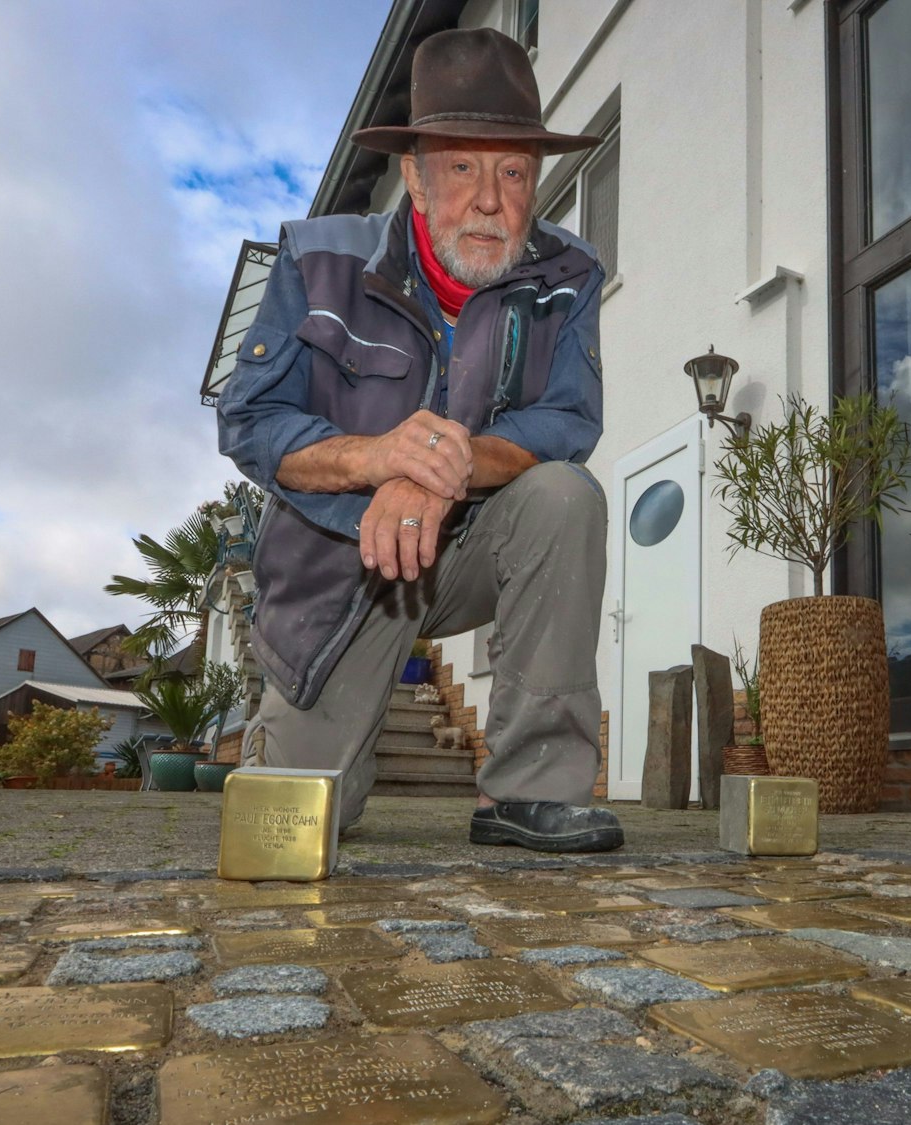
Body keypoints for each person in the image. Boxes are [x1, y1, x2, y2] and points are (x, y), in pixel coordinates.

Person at [216, 28, 621, 853]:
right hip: (343, 569)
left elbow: (566, 421)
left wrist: (443, 466)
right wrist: (376, 457)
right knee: (298, 820)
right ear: (414, 174)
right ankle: (293, 741)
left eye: (513, 172)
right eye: (463, 166)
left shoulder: (569, 275)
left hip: (471, 548)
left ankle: (531, 791)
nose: (488, 198)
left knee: (564, 496)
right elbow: (249, 420)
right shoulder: (317, 259)